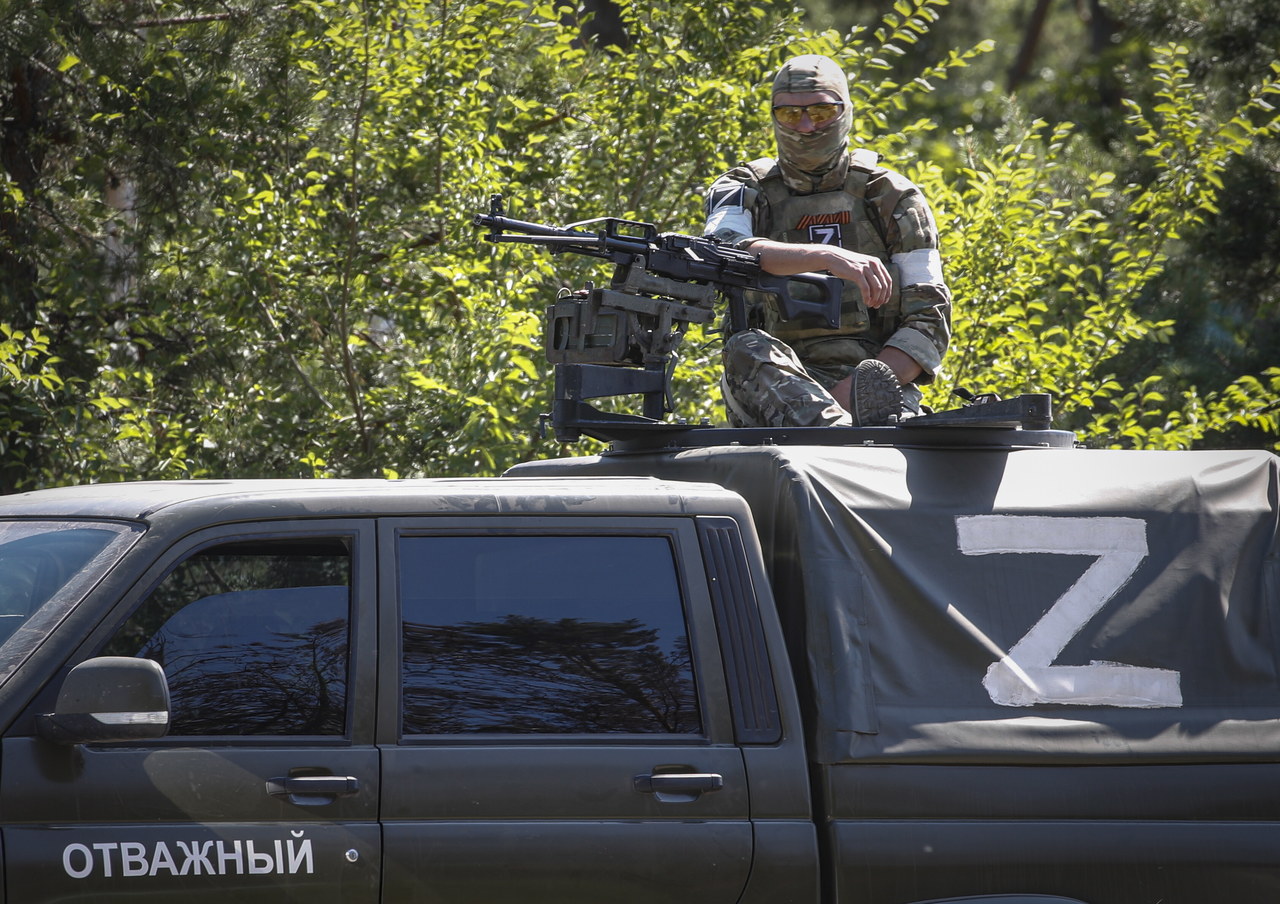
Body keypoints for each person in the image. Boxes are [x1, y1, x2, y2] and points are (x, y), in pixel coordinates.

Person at [704, 53, 952, 427]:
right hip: (771, 388)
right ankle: (831, 434)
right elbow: (723, 252)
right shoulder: (742, 188)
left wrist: (846, 397)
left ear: (845, 111)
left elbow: (929, 319)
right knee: (747, 346)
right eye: (789, 115)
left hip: (874, 390)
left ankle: (832, 430)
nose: (805, 127)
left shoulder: (892, 196)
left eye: (820, 112)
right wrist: (826, 256)